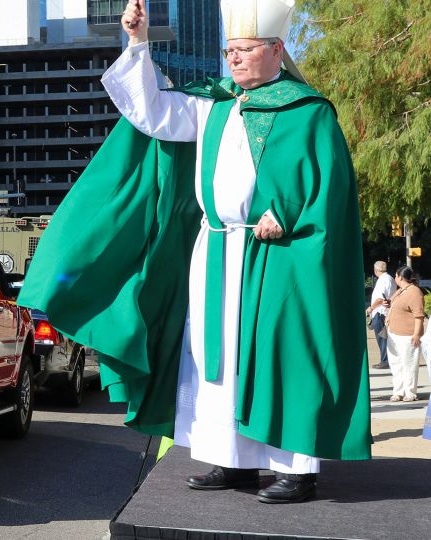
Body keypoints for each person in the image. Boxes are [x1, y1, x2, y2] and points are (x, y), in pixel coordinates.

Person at [18, 0, 370, 506]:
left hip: (276, 253)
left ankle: (296, 467)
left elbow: (330, 187)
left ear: (276, 50)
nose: (234, 59)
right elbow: (153, 112)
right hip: (216, 249)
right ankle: (231, 459)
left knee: (280, 355)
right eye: (229, 50)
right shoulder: (216, 107)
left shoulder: (307, 111)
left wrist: (289, 212)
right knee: (213, 357)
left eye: (245, 50)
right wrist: (138, 43)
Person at [384, 266, 424, 401]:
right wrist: (387, 303)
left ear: (400, 277)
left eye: (395, 276)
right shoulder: (401, 291)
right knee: (396, 364)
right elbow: (394, 304)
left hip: (407, 335)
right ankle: (398, 391)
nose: (394, 278)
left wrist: (416, 334)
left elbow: (419, 316)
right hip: (394, 333)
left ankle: (410, 392)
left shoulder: (414, 292)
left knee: (409, 364)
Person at [366, 261, 397, 369]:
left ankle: (385, 361)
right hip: (386, 312)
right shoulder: (390, 279)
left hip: (380, 313)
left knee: (382, 337)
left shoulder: (383, 280)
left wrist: (370, 308)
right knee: (385, 337)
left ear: (376, 270)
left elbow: (379, 298)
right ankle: (387, 360)